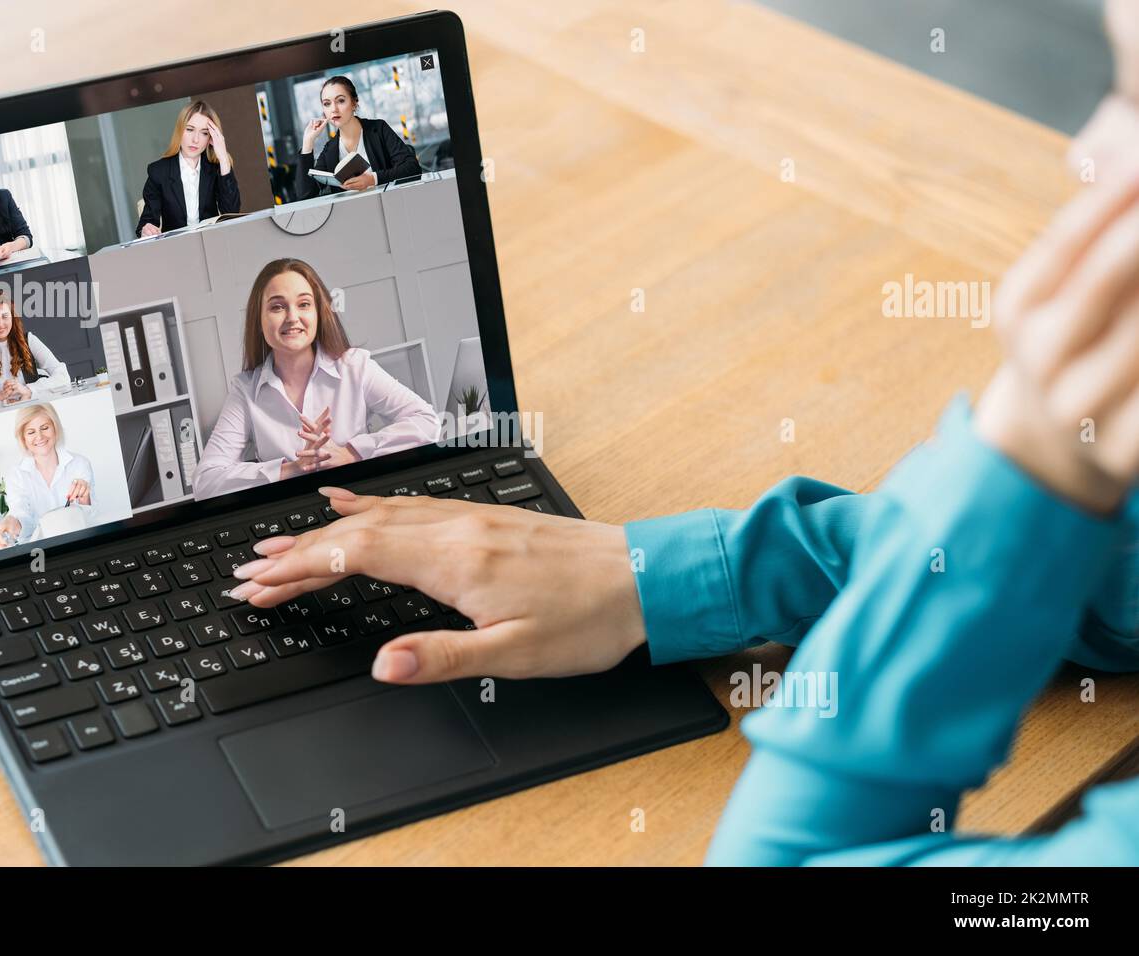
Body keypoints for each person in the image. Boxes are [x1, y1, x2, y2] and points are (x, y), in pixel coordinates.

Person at [225, 0, 1139, 864]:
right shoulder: (246, 386)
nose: (1085, 152)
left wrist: (1029, 462)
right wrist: (671, 578)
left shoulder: (360, 361)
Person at [191, 257, 440, 499]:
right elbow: (205, 482)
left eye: (304, 304)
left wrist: (351, 452)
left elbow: (427, 422)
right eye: (277, 307)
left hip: (357, 499)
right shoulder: (245, 391)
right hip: (293, 515)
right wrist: (292, 469)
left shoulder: (354, 366)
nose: (292, 317)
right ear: (259, 319)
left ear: (319, 312)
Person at [295, 75, 421, 201]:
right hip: (352, 214)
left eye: (341, 101)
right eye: (327, 104)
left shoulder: (378, 129)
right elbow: (305, 195)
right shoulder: (330, 149)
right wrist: (308, 142)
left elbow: (412, 168)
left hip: (390, 205)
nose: (334, 109)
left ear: (354, 103)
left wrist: (373, 179)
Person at [0, 403, 94, 550]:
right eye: (31, 432)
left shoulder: (80, 464)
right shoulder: (16, 475)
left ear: (55, 428)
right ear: (23, 438)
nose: (39, 436)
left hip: (79, 545)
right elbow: (22, 513)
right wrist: (13, 522)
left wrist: (84, 499)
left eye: (44, 428)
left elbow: (89, 518)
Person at [135, 100, 240, 237]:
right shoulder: (159, 171)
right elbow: (148, 221)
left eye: (204, 133)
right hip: (177, 248)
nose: (195, 139)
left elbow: (232, 213)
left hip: (213, 242)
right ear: (180, 130)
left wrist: (223, 160)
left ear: (211, 138)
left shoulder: (215, 169)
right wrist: (146, 229)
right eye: (190, 129)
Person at [0, 292, 70, 409]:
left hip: (32, 413)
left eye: (5, 316)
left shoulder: (29, 340)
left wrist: (28, 390)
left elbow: (63, 377)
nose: (0, 324)